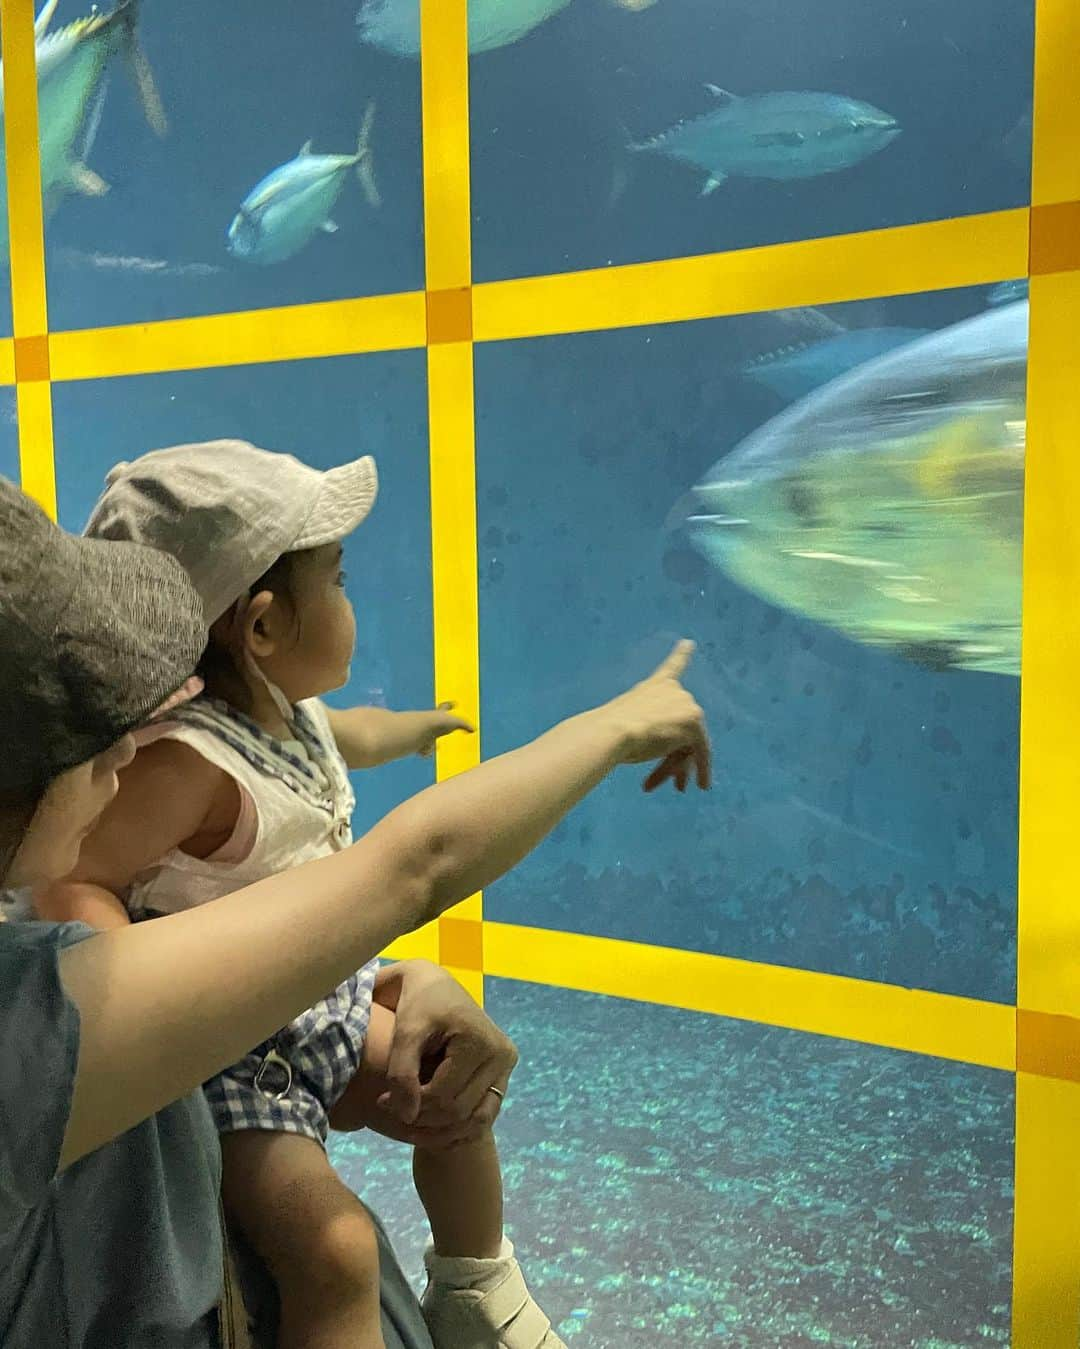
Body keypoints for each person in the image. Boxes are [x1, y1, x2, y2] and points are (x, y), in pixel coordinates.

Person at [0, 475, 710, 1348]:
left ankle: (477, 1279)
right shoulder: (33, 1033)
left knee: (453, 1095)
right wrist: (617, 726)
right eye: (76, 720)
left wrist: (378, 974)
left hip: (294, 1010)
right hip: (241, 1065)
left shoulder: (283, 725)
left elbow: (359, 764)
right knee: (335, 1250)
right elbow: (415, 865)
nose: (127, 738)